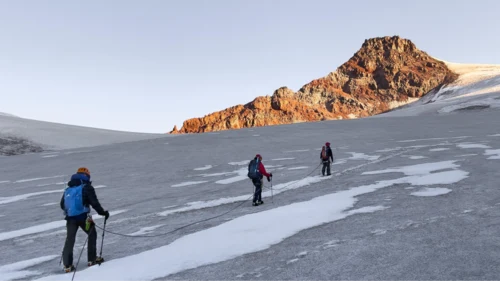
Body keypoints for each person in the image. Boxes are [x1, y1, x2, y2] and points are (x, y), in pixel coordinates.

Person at [60, 167, 110, 273]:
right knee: (92, 234)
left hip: (70, 219)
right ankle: (91, 260)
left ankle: (67, 265)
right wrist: (103, 213)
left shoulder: (68, 188)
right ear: (87, 176)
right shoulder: (87, 187)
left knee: (70, 239)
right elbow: (94, 203)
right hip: (83, 217)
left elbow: (62, 204)